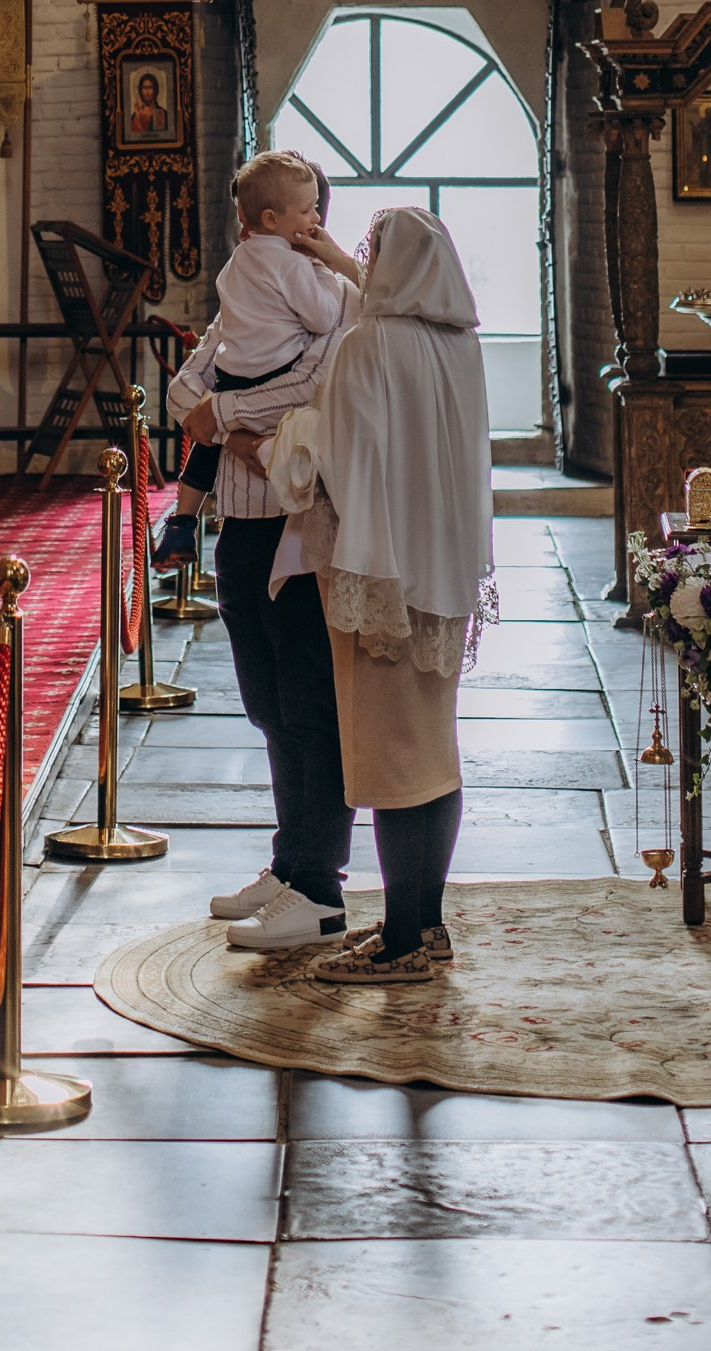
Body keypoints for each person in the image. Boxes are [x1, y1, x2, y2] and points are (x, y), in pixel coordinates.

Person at [265, 203, 495, 984]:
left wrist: (292, 434)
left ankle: (403, 942)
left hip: (379, 574)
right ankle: (424, 926)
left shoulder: (366, 348)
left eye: (369, 251)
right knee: (433, 755)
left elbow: (339, 462)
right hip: (445, 573)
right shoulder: (462, 347)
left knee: (395, 763)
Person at [163, 150, 356, 953]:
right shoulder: (249, 284)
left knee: (312, 707)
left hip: (298, 527)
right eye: (299, 210)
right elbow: (182, 388)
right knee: (266, 706)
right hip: (240, 529)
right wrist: (233, 424)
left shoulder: (338, 301)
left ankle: (322, 886)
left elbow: (312, 386)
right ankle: (288, 863)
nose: (309, 221)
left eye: (318, 211)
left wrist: (226, 418)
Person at [155, 159, 332, 559]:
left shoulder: (237, 262)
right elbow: (320, 319)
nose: (315, 217)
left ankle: (182, 521)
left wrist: (220, 425)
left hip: (229, 375)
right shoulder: (295, 266)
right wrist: (319, 269)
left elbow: (200, 405)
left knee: (205, 444)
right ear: (273, 219)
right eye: (308, 209)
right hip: (274, 379)